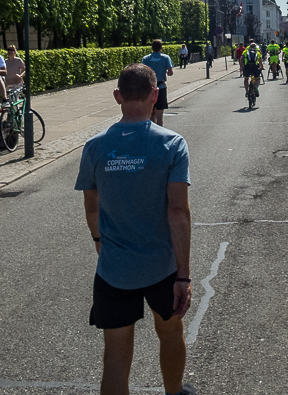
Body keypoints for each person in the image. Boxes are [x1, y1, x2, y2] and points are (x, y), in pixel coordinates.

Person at [74, 64, 195, 395]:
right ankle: (174, 391)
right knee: (170, 334)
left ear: (117, 97)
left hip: (114, 269)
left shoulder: (95, 147)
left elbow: (92, 207)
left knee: (114, 356)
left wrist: (100, 240)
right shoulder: (171, 143)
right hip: (161, 266)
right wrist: (183, 276)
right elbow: (177, 211)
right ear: (155, 95)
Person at [142, 40, 175, 126]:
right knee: (159, 115)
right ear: (161, 48)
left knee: (151, 112)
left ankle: (152, 130)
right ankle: (159, 132)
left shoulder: (146, 58)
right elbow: (170, 72)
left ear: (152, 48)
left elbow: (142, 72)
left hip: (149, 87)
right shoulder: (166, 57)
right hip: (161, 86)